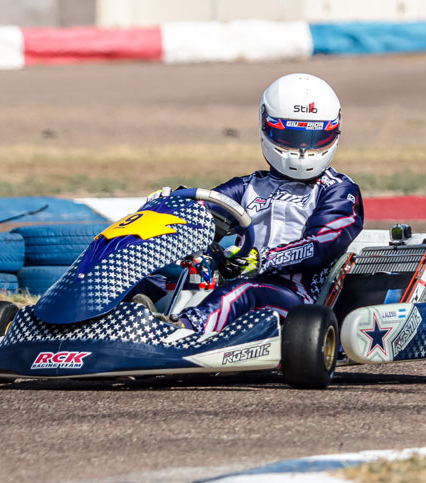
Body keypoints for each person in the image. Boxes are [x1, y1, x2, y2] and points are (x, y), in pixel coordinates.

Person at [146, 73, 364, 334]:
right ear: (266, 127)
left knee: (246, 291)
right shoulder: (248, 186)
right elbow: (198, 214)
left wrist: (262, 259)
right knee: (158, 281)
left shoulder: (339, 190)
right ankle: (122, 323)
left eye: (315, 138)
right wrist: (165, 209)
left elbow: (322, 243)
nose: (303, 150)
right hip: (235, 288)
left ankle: (182, 331)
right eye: (291, 138)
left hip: (301, 303)